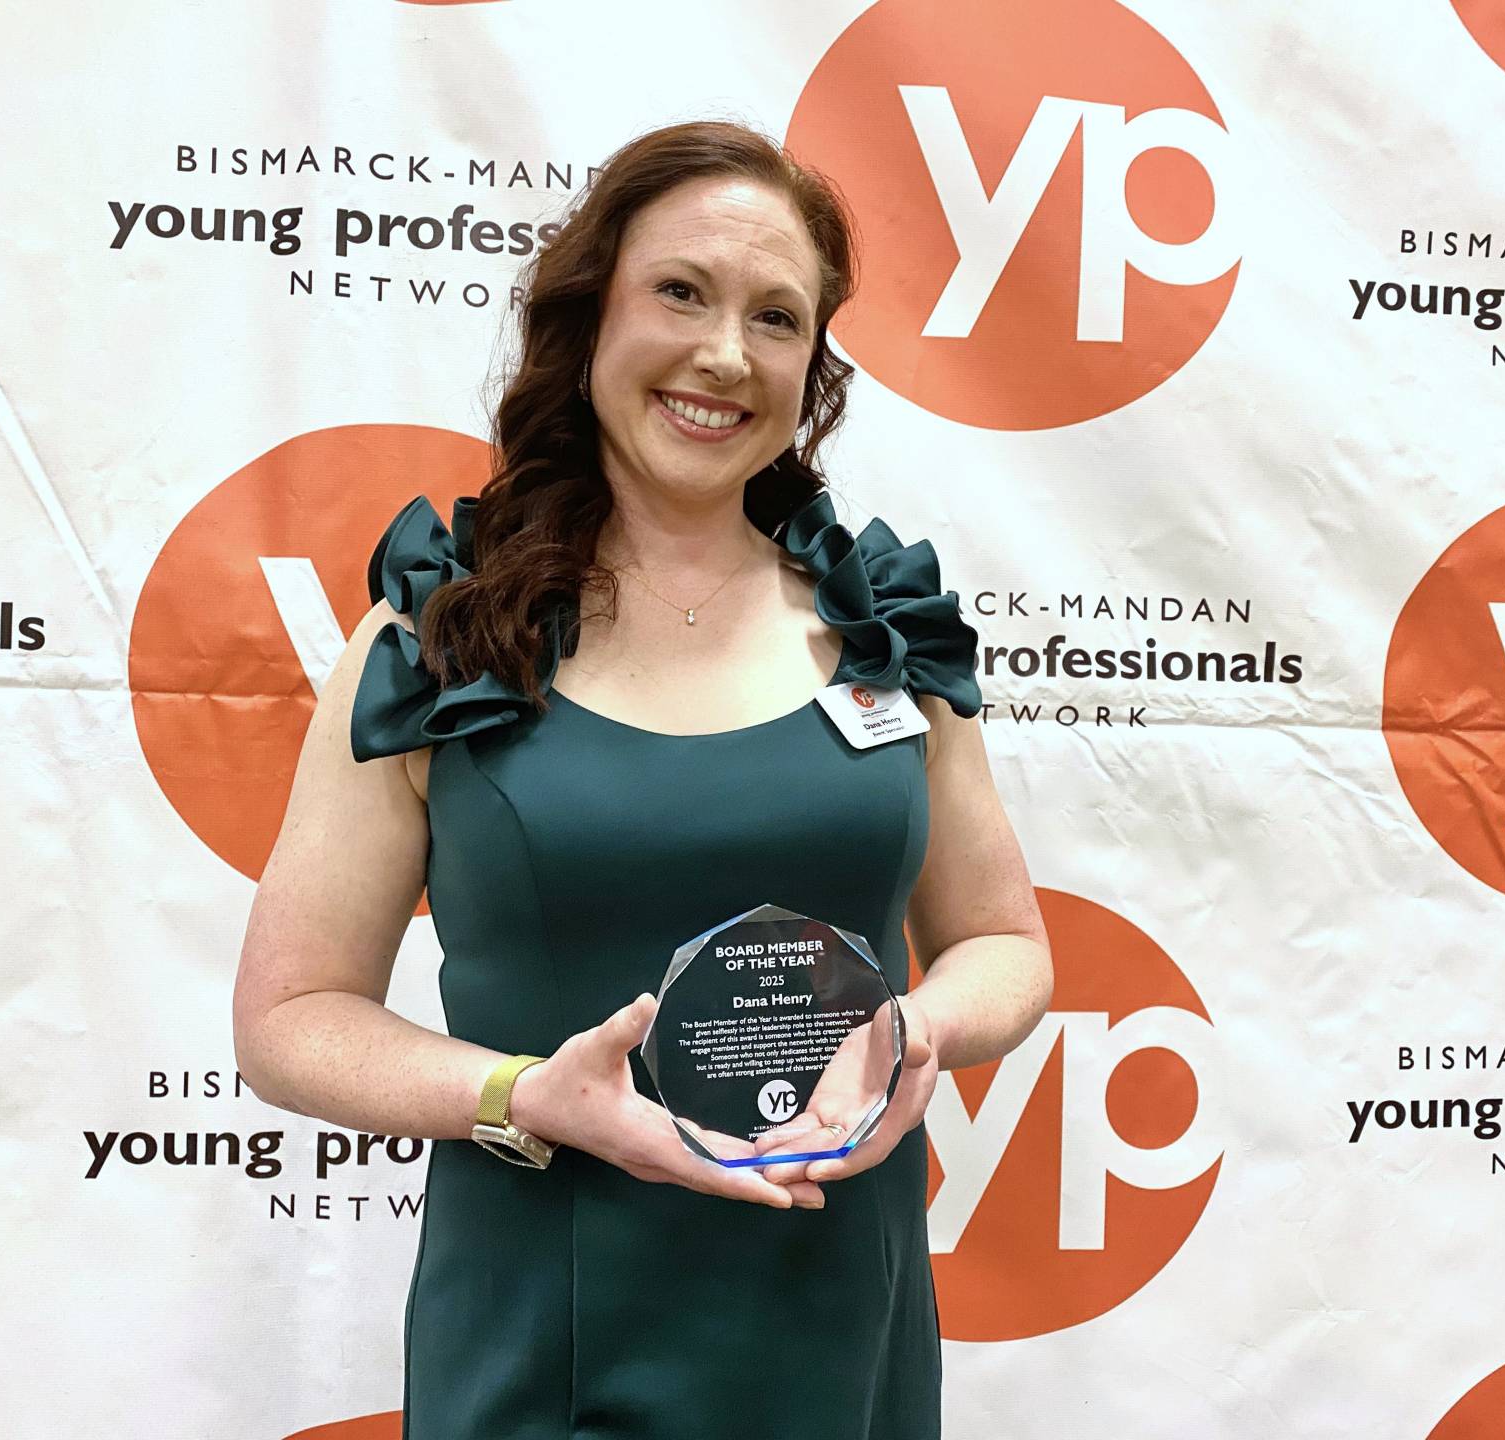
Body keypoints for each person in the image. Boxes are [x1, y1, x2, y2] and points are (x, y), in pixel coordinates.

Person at [232, 119, 1053, 1440]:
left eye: (776, 317)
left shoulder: (883, 630)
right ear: (590, 315)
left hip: (837, 1317)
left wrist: (918, 1029)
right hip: (546, 1336)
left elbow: (1004, 945)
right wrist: (518, 1098)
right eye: (680, 291)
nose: (725, 354)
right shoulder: (440, 638)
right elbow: (290, 1016)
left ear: (813, 366)